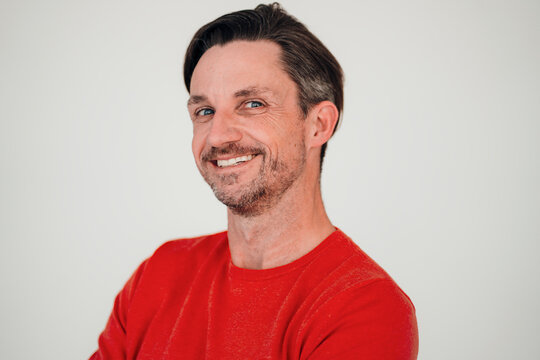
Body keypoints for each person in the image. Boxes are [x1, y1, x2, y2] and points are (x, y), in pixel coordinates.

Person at [90, 3, 418, 359]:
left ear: (318, 124)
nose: (217, 136)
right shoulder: (157, 276)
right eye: (205, 111)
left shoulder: (365, 306)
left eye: (253, 104)